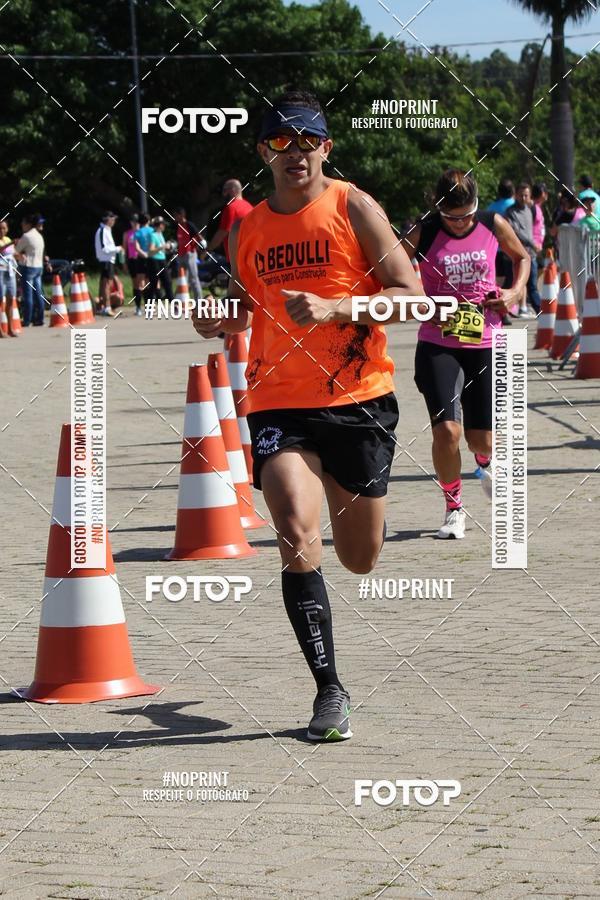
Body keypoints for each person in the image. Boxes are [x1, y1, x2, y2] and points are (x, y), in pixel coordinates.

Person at [192, 89, 422, 742]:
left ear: (326, 146)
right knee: (295, 535)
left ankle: (359, 507)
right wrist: (219, 319)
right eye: (279, 142)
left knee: (359, 559)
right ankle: (329, 691)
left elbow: (414, 300)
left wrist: (336, 310)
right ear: (263, 151)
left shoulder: (353, 206)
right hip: (276, 400)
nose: (294, 153)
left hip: (358, 401)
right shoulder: (249, 226)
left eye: (307, 140)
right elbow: (245, 306)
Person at [401, 169, 530, 540]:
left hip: (486, 340)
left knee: (480, 441)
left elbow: (522, 258)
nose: (461, 224)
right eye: (452, 218)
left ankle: (485, 463)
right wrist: (422, 302)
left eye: (467, 215)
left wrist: (513, 292)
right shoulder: (424, 230)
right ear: (438, 209)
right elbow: (388, 273)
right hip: (438, 343)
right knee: (446, 432)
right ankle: (454, 509)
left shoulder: (492, 222)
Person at [505, 183, 541, 316]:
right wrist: (533, 243)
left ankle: (539, 311)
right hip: (516, 255)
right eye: (521, 195)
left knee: (532, 285)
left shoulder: (530, 209)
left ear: (530, 196)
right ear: (516, 195)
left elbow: (534, 229)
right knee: (512, 284)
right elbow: (516, 232)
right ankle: (504, 312)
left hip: (530, 254)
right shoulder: (510, 212)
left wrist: (536, 243)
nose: (523, 198)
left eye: (526, 195)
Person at [205, 179, 253, 262]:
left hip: (237, 259)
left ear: (232, 190)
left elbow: (223, 232)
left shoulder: (231, 208)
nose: (223, 194)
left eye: (224, 190)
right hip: (251, 255)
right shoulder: (250, 207)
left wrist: (208, 250)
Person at [15, 214, 46, 327]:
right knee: (38, 293)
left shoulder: (26, 236)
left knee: (27, 295)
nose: (22, 225)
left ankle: (27, 320)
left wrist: (19, 249)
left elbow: (16, 251)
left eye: (23, 223)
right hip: (39, 267)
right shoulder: (39, 235)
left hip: (28, 267)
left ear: (28, 224)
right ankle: (40, 318)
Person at [94, 211, 121, 317]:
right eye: (113, 219)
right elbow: (104, 248)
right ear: (108, 219)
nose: (114, 221)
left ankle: (102, 306)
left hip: (108, 260)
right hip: (106, 260)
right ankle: (107, 307)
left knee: (104, 284)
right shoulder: (103, 230)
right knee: (106, 285)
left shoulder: (106, 230)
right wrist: (118, 249)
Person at [174, 206, 204, 300]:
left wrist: (203, 244)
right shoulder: (178, 226)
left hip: (189, 254)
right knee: (182, 279)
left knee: (193, 279)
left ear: (181, 215)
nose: (174, 217)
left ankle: (199, 301)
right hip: (181, 255)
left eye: (176, 215)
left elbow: (198, 235)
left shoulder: (189, 224)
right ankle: (182, 300)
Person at [147, 216, 173, 302]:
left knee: (167, 281)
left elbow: (162, 249)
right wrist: (162, 247)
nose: (164, 226)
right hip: (154, 261)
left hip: (162, 260)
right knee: (154, 283)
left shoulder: (160, 234)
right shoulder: (153, 235)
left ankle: (172, 302)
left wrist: (167, 248)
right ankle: (150, 304)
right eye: (163, 224)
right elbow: (151, 250)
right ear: (160, 225)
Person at [123, 214, 145, 316]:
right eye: (133, 221)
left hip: (142, 259)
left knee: (144, 284)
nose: (134, 223)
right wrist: (124, 262)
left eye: (136, 221)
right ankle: (138, 307)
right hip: (132, 260)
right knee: (136, 284)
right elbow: (124, 249)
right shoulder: (127, 234)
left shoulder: (143, 232)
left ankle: (149, 305)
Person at [0, 220, 18, 337]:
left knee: (11, 299)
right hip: (0, 271)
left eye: (4, 228)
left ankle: (10, 328)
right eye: (0, 228)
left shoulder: (7, 239)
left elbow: (13, 253)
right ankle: (1, 330)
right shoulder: (8, 242)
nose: (2, 231)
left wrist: (20, 255)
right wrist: (10, 243)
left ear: (7, 229)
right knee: (0, 300)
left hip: (10, 271)